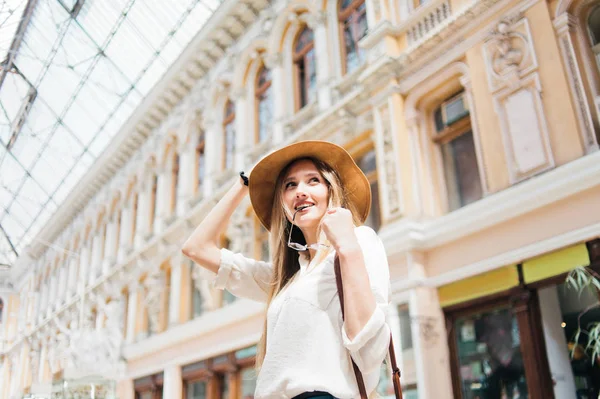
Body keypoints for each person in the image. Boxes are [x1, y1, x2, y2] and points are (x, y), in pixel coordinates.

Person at [182, 140, 392, 399]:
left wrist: (347, 246)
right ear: (282, 203)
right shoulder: (284, 278)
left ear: (331, 190)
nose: (300, 191)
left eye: (312, 180)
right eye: (289, 185)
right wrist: (244, 182)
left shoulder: (360, 241)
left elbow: (370, 351)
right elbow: (196, 248)